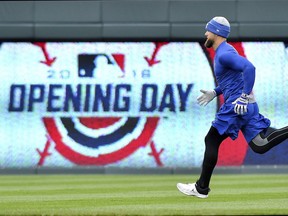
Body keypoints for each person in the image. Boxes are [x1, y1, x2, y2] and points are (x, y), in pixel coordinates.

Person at [176, 16, 288, 199]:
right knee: (260, 145)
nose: (205, 33)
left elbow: (250, 68)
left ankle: (201, 188)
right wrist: (215, 92)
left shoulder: (225, 53)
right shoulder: (226, 51)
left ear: (216, 33)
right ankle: (201, 187)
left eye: (208, 30)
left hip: (236, 106)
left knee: (211, 140)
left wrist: (243, 97)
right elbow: (232, 81)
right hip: (246, 106)